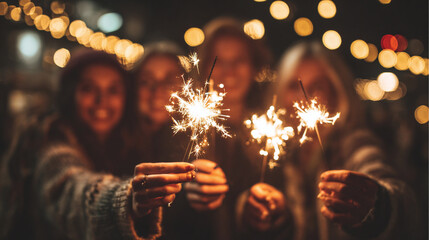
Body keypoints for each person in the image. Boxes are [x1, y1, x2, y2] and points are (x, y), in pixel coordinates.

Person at [0, 50, 196, 240]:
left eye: (113, 90)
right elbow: (72, 193)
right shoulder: (50, 143)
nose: (102, 101)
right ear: (69, 94)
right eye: (88, 88)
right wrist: (126, 202)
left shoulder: (123, 144)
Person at [237, 41, 422, 240]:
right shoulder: (284, 155)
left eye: (316, 86)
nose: (304, 98)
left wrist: (377, 204)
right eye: (293, 85)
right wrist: (273, 217)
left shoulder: (355, 143)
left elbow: (400, 201)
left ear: (336, 92)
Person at [179, 17, 273, 240]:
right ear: (204, 68)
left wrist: (276, 213)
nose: (229, 70)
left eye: (239, 60)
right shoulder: (183, 134)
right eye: (219, 60)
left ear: (254, 67)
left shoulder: (269, 132)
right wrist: (185, 190)